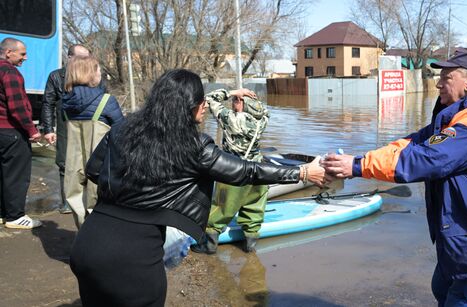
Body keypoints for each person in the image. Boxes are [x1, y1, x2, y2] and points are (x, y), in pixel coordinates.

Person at [69, 69, 327, 306]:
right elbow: (246, 171)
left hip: (88, 244)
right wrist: (302, 171)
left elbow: (94, 170)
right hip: (133, 258)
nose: (205, 107)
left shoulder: (122, 128)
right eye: (201, 102)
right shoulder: (194, 146)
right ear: (190, 108)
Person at [322, 50, 467, 306]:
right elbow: (413, 144)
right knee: (441, 287)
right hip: (466, 230)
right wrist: (362, 159)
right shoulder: (459, 113)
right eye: (439, 76)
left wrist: (356, 166)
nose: (438, 82)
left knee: (464, 300)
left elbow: (426, 159)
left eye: (446, 77)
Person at [192, 88, 270, 254]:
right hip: (258, 169)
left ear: (241, 103)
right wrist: (250, 98)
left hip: (234, 170)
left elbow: (209, 98)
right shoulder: (262, 119)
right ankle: (250, 247)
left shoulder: (231, 119)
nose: (232, 102)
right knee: (254, 208)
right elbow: (264, 110)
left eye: (235, 100)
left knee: (220, 207)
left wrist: (234, 91)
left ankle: (210, 245)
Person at [62, 55, 124, 228]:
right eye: (98, 70)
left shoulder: (65, 103)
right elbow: (122, 131)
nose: (100, 73)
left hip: (73, 162)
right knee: (97, 198)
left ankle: (82, 233)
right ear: (89, 73)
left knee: (74, 196)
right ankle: (98, 239)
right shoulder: (106, 101)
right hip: (101, 163)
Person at [41, 44, 95, 214]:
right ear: (70, 58)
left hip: (91, 124)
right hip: (66, 126)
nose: (86, 62)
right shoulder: (56, 76)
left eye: (88, 58)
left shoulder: (94, 74)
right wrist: (49, 129)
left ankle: (93, 202)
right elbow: (48, 103)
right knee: (66, 163)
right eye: (82, 58)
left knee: (93, 162)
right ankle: (68, 202)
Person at [0, 37, 43, 229]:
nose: (25, 58)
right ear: (9, 52)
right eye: (23, 53)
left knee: (2, 174)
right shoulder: (10, 73)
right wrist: (32, 131)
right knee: (16, 175)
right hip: (12, 132)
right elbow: (17, 107)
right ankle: (15, 216)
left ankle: (2, 213)